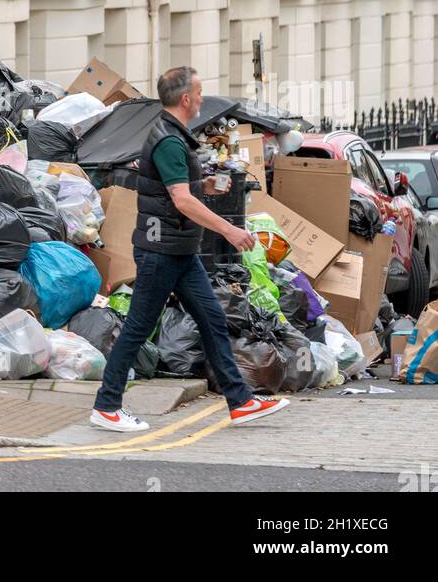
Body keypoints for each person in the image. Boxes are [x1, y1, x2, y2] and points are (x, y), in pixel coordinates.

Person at [90, 66, 290, 432]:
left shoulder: (175, 137)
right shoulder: (167, 140)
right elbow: (180, 200)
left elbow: (178, 189)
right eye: (198, 92)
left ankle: (240, 401)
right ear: (185, 99)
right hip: (160, 252)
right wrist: (230, 229)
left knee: (213, 320)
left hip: (179, 251)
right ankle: (106, 405)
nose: (201, 98)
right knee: (137, 327)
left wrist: (205, 186)